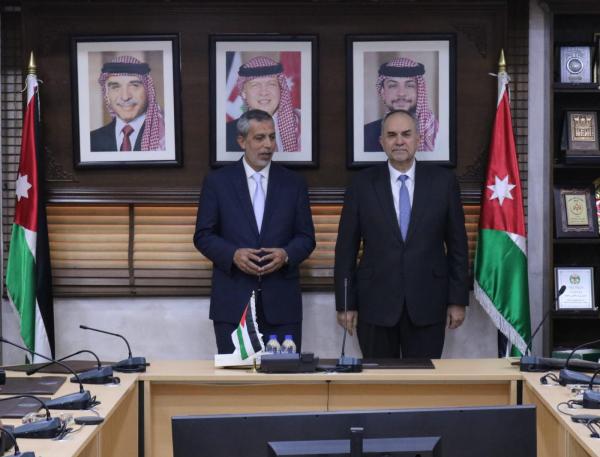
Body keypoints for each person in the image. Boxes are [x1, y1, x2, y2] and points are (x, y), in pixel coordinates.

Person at [335, 109, 468, 359]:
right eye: (392, 135)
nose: (399, 141)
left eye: (406, 134)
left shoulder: (443, 182)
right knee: (379, 379)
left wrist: (457, 300)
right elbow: (345, 250)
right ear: (381, 141)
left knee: (422, 380)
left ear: (418, 138)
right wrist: (345, 304)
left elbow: (458, 246)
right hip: (375, 304)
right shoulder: (361, 185)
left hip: (428, 302)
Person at [195, 109, 315, 354]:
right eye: (260, 138)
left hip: (282, 307)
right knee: (236, 376)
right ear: (242, 141)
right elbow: (203, 235)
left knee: (282, 376)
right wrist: (232, 255)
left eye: (272, 137)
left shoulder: (294, 183)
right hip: (233, 304)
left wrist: (286, 254)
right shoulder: (218, 182)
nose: (268, 145)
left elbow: (306, 237)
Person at [91, 55, 165, 152]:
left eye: (134, 85)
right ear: (107, 94)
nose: (125, 97)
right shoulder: (92, 140)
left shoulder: (165, 138)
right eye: (115, 87)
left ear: (148, 91)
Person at [226, 56, 301, 152]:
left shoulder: (303, 125)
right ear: (244, 93)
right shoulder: (228, 134)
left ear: (281, 89)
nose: (264, 92)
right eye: (255, 85)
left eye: (271, 84)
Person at [364, 57, 438, 153]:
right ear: (383, 92)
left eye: (409, 85)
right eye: (393, 86)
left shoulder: (439, 133)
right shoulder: (366, 134)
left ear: (420, 91)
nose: (401, 93)